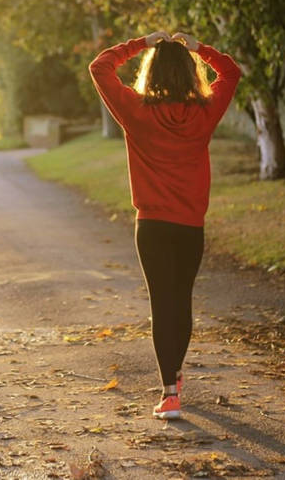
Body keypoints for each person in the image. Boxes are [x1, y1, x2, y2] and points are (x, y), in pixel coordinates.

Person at [89, 30, 242, 419]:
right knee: (182, 301)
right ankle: (174, 373)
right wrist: (199, 49)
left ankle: (170, 392)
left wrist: (141, 43)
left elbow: (100, 67)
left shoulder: (136, 111)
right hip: (190, 226)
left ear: (151, 73)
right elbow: (232, 72)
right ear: (190, 74)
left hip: (152, 226)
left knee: (162, 304)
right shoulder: (204, 113)